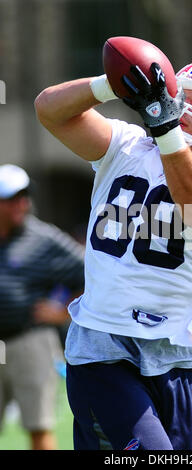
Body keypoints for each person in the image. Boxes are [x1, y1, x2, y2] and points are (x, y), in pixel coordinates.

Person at [34, 53, 192, 450]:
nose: (183, 106)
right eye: (180, 95)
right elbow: (49, 110)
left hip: (176, 357)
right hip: (103, 346)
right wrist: (113, 84)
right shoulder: (126, 144)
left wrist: (165, 125)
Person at [0, 164, 85, 450]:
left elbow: (92, 275)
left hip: (31, 339)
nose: (21, 204)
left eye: (25, 197)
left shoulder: (43, 238)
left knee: (39, 425)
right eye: (12, 198)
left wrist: (62, 313)